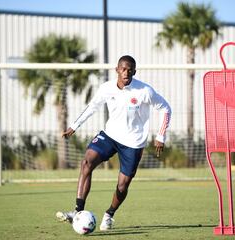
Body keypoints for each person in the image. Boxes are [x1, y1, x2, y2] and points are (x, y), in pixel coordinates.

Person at [56, 55, 171, 230]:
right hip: (110, 135)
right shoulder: (107, 88)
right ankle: (78, 211)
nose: (127, 72)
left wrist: (161, 136)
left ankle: (109, 214)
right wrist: (74, 126)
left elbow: (166, 108)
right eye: (123, 69)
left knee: (123, 185)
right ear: (117, 70)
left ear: (134, 71)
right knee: (86, 162)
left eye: (130, 69)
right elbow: (92, 106)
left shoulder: (144, 91)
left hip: (134, 142)